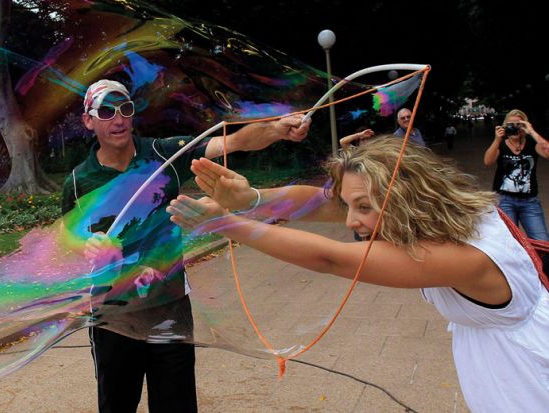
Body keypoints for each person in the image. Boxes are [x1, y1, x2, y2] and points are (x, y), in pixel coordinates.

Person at [167, 136, 549, 412]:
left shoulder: (466, 257)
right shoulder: (453, 212)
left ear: (404, 197)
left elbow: (332, 258)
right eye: (350, 204)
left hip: (526, 381)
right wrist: (252, 200)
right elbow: (318, 202)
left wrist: (228, 225)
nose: (350, 220)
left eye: (363, 207)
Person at [61, 78, 311, 413]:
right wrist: (87, 245)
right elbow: (70, 235)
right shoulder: (78, 181)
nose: (118, 119)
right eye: (106, 111)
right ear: (89, 120)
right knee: (117, 404)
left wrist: (277, 130)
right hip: (113, 316)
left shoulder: (164, 154)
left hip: (170, 308)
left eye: (125, 108)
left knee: (176, 404)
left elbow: (231, 141)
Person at [483, 109, 549, 241]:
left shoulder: (531, 143)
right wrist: (497, 139)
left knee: (542, 240)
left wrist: (532, 132)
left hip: (530, 201)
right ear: (504, 125)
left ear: (524, 125)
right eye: (510, 124)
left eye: (518, 124)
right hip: (504, 200)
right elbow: (487, 161)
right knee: (508, 241)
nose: (514, 128)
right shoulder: (501, 145)